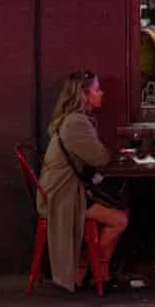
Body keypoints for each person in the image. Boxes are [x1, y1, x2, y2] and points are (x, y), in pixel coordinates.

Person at [38, 71, 129, 291]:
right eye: (97, 89)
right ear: (84, 95)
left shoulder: (75, 120)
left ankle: (94, 272)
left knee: (121, 210)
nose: (101, 92)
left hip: (66, 189)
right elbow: (99, 158)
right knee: (120, 219)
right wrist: (113, 150)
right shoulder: (76, 123)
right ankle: (91, 269)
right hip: (62, 196)